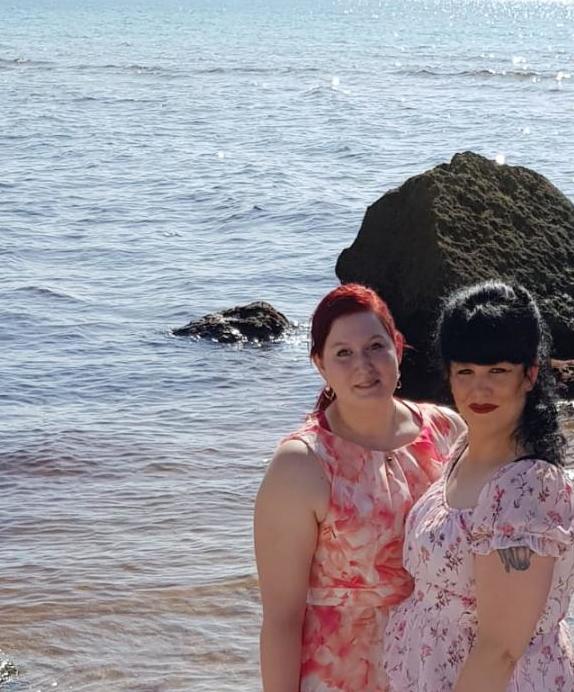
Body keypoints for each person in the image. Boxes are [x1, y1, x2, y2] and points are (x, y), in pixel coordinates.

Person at [254, 283, 465, 692]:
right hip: (342, 673)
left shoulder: (448, 430)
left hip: (440, 666)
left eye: (375, 347)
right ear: (320, 365)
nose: (363, 366)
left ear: (397, 347)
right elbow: (282, 619)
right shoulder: (301, 465)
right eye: (343, 353)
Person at [384, 280, 574, 691]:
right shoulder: (464, 447)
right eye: (465, 372)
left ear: (530, 374)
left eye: (497, 371)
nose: (479, 389)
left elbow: (500, 650)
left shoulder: (527, 490)